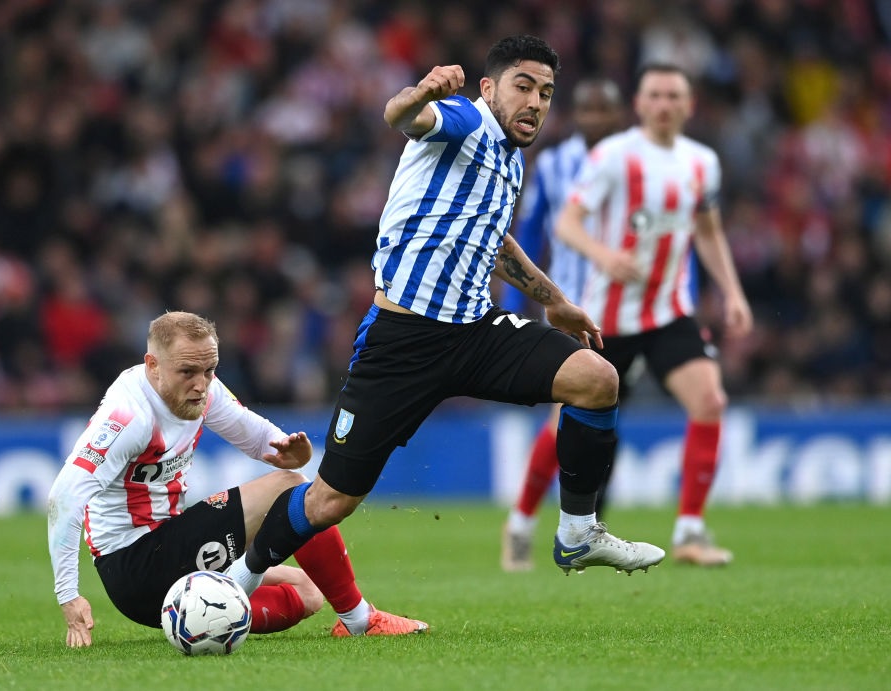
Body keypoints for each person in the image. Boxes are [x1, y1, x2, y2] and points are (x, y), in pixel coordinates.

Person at [224, 35, 665, 599]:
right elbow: (401, 116)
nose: (535, 102)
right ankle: (239, 579)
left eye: (547, 92)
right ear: (489, 88)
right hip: (402, 341)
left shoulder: (509, 158)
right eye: (523, 86)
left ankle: (578, 532)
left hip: (473, 332)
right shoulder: (466, 120)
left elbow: (492, 238)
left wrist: (551, 298)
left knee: (597, 380)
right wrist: (418, 94)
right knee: (331, 500)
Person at [47, 311, 427, 648]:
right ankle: (361, 621)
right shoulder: (129, 417)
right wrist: (68, 595)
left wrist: (288, 449)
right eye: (188, 372)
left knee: (309, 592)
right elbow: (64, 496)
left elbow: (257, 437)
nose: (201, 383)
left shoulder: (200, 389)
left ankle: (193, 616)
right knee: (290, 487)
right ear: (153, 365)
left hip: (168, 555)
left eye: (209, 370)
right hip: (136, 562)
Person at [551, 63, 753, 566]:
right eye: (655, 95)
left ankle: (689, 532)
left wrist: (732, 292)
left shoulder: (702, 162)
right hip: (608, 316)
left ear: (688, 105)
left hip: (668, 313)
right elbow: (567, 223)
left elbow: (707, 232)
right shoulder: (613, 156)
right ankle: (522, 521)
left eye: (674, 95)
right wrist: (606, 257)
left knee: (710, 399)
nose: (664, 104)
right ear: (639, 104)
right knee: (569, 417)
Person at [499, 78, 627, 572]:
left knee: (600, 421)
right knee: (567, 414)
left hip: (626, 313)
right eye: (587, 109)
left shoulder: (635, 163)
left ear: (618, 117)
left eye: (604, 110)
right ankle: (525, 523)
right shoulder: (553, 164)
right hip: (572, 307)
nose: (595, 119)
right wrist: (515, 304)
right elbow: (525, 234)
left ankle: (572, 522)